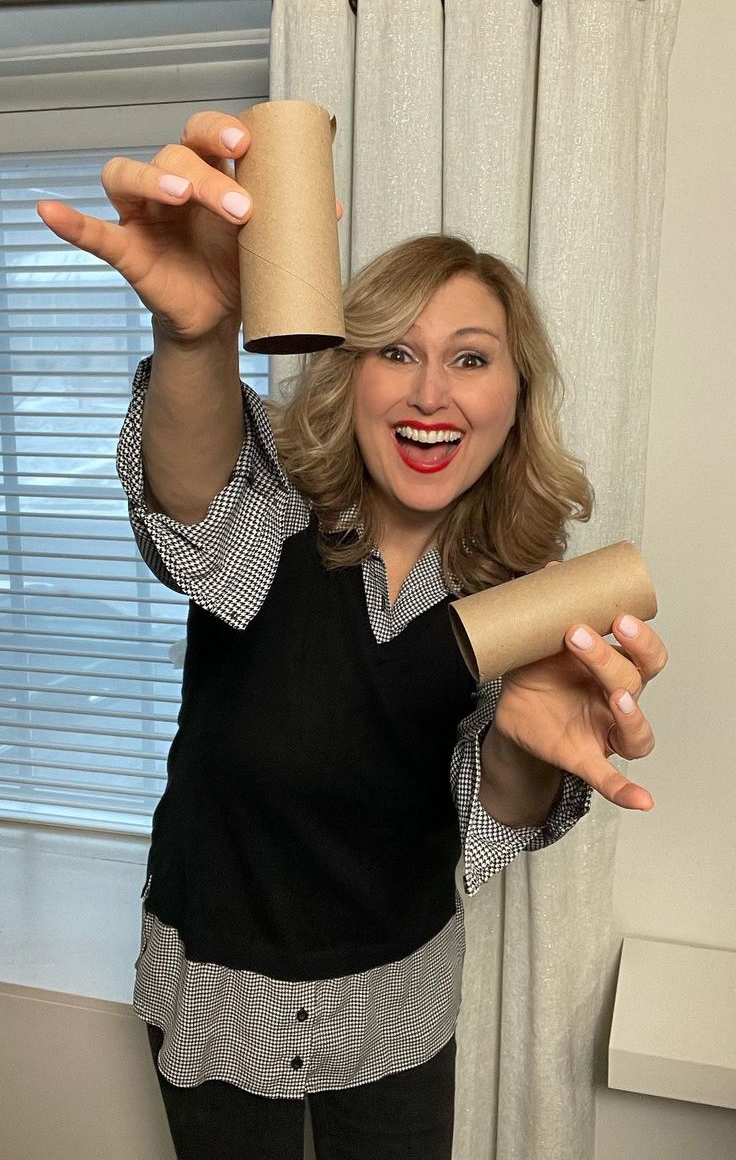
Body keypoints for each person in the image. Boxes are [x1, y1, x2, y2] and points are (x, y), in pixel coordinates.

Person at [37, 111, 668, 1160]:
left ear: (514, 398)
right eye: (395, 352)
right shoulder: (270, 513)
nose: (430, 392)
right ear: (349, 372)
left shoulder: (527, 596)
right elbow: (192, 500)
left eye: (470, 359)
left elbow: (488, 812)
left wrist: (518, 744)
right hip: (219, 981)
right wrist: (193, 337)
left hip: (397, 996)